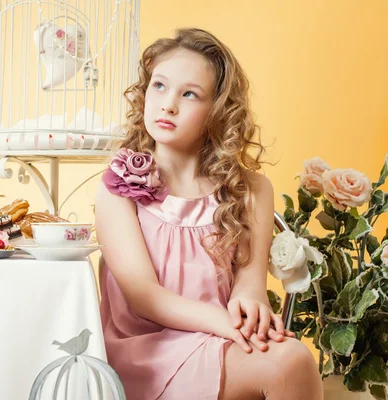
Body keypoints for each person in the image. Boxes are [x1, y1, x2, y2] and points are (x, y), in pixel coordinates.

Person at [95, 28, 323, 400]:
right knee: (289, 363)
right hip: (146, 350)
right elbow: (144, 297)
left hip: (222, 338)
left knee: (292, 359)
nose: (168, 104)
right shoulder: (117, 189)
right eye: (159, 86)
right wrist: (224, 323)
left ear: (217, 109)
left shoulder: (251, 190)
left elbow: (249, 285)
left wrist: (251, 310)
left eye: (189, 94)